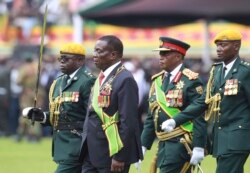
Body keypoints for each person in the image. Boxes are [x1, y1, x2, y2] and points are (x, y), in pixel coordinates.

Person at [161, 30, 250, 173]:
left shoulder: (245, 71)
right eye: (217, 46)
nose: (219, 49)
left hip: (238, 138)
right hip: (221, 138)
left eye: (223, 45)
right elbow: (203, 102)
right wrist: (175, 120)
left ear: (236, 46)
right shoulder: (217, 70)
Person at [22, 43, 96, 173]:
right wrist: (43, 116)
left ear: (80, 60)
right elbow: (61, 114)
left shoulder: (87, 81)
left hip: (78, 146)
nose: (61, 61)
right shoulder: (59, 82)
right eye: (60, 58)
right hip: (62, 145)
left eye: (66, 58)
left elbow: (93, 117)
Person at [140, 37, 207, 173]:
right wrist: (143, 144)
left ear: (177, 57)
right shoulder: (157, 81)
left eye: (165, 54)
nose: (161, 57)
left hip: (181, 143)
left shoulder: (190, 80)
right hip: (163, 144)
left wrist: (199, 147)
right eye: (160, 54)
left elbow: (199, 114)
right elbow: (151, 116)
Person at [79, 35, 143, 173]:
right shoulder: (102, 77)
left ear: (113, 55)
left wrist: (120, 156)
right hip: (91, 151)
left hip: (111, 153)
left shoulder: (125, 79)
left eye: (99, 51)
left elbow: (128, 121)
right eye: (95, 51)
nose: (95, 55)